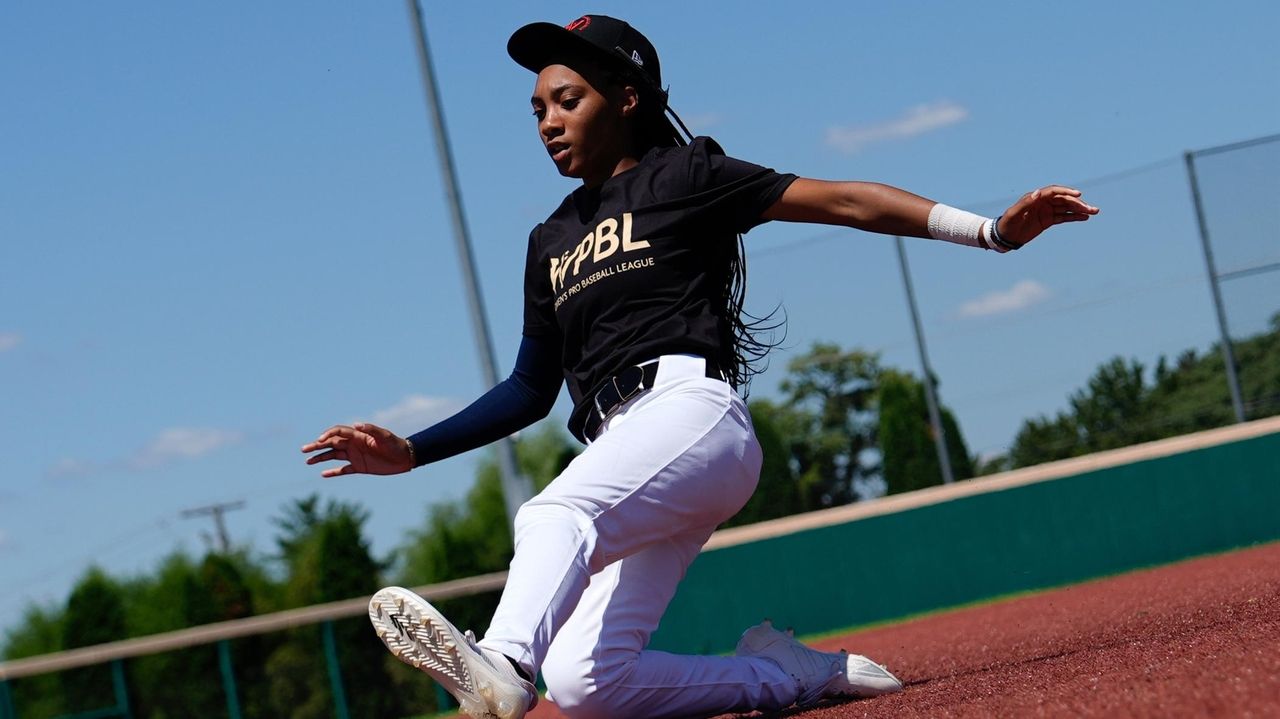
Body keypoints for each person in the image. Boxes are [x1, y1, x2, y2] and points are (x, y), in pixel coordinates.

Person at [301, 14, 1099, 719]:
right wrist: (411, 450)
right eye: (537, 107)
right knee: (585, 683)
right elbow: (527, 389)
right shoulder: (548, 241)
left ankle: (505, 661)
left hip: (692, 416)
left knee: (549, 517)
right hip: (625, 450)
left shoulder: (685, 177)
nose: (546, 119)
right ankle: (781, 674)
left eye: (567, 99)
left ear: (627, 97)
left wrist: (991, 230)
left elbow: (847, 200)